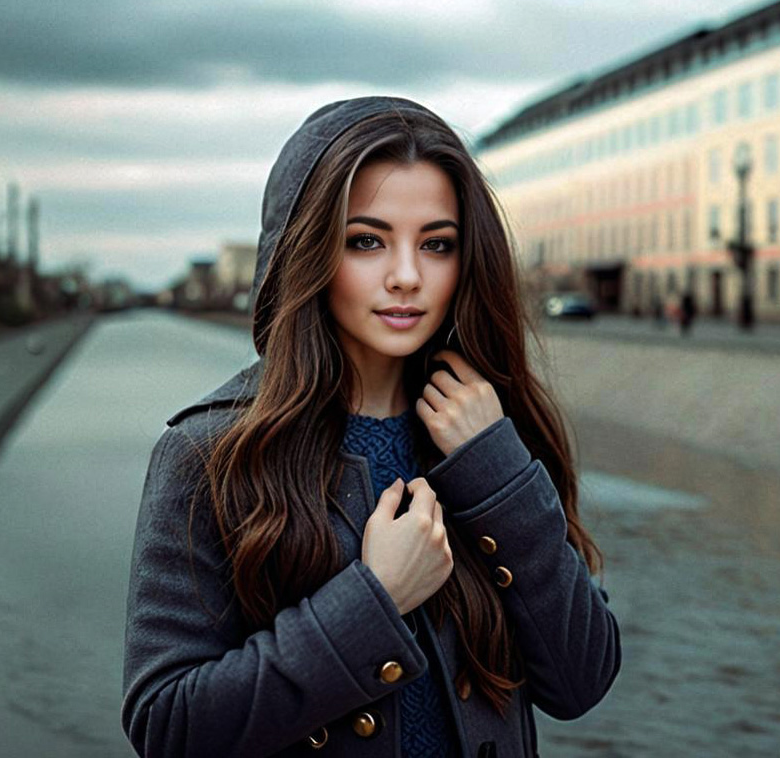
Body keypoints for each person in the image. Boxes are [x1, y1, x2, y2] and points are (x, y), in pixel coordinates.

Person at [121, 96, 621, 758]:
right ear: (306, 251)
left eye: (437, 244)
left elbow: (581, 682)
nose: (407, 276)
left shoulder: (488, 431)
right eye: (367, 241)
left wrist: (497, 474)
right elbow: (169, 728)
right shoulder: (208, 453)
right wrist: (373, 599)